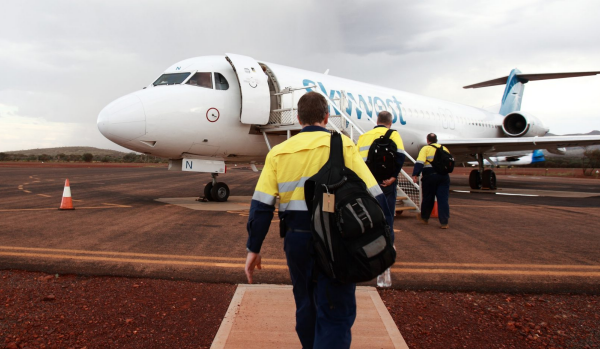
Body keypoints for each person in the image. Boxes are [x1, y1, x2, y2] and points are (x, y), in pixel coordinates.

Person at [244, 92, 393, 349]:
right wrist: (385, 236)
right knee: (336, 309)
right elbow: (375, 196)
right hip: (338, 239)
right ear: (326, 117)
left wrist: (253, 248)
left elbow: (261, 206)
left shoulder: (278, 153)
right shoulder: (344, 145)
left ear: (299, 119)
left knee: (305, 305)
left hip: (297, 239)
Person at [357, 111, 406, 221]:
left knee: (369, 212)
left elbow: (357, 161)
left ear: (377, 121)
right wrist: (393, 177)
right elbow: (400, 157)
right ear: (390, 123)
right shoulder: (394, 135)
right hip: (387, 181)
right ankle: (388, 236)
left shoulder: (364, 136)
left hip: (368, 181)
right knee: (387, 213)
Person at [411, 133, 450, 229]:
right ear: (436, 140)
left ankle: (424, 218)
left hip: (430, 176)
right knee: (443, 200)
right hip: (444, 177)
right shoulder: (444, 148)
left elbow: (420, 162)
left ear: (428, 140)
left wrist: (415, 174)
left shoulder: (426, 149)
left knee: (428, 198)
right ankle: (444, 222)